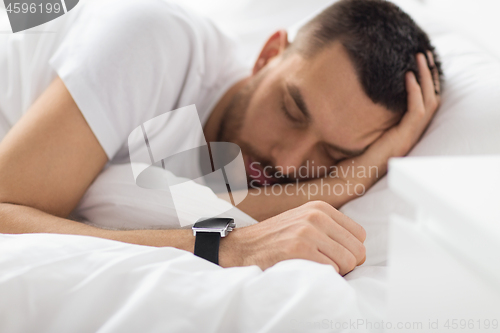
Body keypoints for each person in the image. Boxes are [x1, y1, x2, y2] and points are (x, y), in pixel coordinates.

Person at [0, 0, 441, 276]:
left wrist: (352, 179)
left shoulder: (217, 171)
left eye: (334, 153)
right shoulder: (153, 39)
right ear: (269, 54)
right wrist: (225, 246)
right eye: (291, 110)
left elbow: (120, 202)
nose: (288, 163)